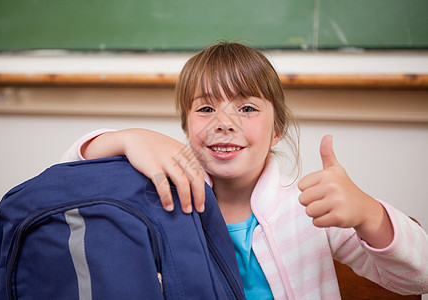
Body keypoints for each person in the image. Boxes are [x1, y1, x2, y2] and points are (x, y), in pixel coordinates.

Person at [62, 41, 428, 299]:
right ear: (187, 128)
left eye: (247, 109)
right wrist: (127, 139)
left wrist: (369, 214)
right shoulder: (163, 197)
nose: (224, 122)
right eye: (205, 109)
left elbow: (419, 277)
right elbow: (61, 186)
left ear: (277, 130)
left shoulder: (310, 210)